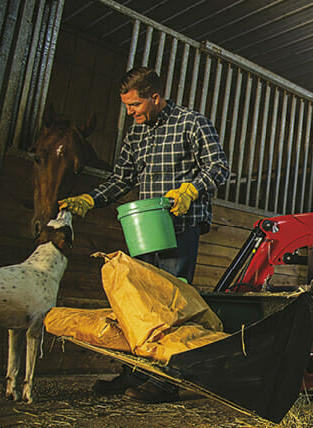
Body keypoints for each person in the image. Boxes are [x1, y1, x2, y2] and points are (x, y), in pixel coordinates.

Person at [60, 66, 229, 403]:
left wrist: (191, 191)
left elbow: (219, 166)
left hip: (181, 225)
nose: (129, 112)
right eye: (126, 106)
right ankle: (132, 372)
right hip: (145, 228)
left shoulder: (191, 123)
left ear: (155, 97)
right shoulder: (136, 134)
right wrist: (90, 198)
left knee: (170, 304)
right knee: (138, 302)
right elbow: (122, 179)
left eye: (134, 105)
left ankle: (166, 381)